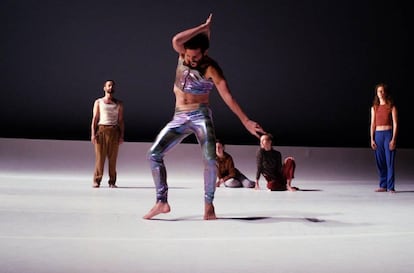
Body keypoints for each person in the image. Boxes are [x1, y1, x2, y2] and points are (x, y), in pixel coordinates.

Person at [143, 14, 266, 220]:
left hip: (200, 115)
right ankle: (161, 201)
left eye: (196, 57)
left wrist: (245, 120)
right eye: (189, 56)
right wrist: (202, 27)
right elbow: (176, 40)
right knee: (153, 154)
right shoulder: (183, 54)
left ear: (205, 53)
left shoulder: (211, 68)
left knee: (210, 160)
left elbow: (227, 95)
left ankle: (209, 206)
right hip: (180, 116)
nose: (191, 60)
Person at [90, 80, 124, 188]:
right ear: (104, 88)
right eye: (109, 85)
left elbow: (121, 120)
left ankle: (112, 182)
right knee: (100, 158)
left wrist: (121, 135)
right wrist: (92, 134)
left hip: (114, 131)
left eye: (112, 86)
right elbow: (95, 119)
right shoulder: (98, 102)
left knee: (112, 159)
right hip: (101, 130)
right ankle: (97, 180)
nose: (111, 87)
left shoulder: (119, 104)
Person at [370, 83, 398, 193]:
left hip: (388, 134)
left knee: (389, 161)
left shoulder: (391, 107)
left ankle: (391, 187)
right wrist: (372, 139)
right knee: (380, 161)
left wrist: (393, 139)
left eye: (382, 91)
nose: (380, 93)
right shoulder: (374, 108)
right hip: (378, 135)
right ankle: (383, 185)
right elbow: (372, 124)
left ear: (385, 93)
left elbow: (395, 123)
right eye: (378, 91)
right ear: (376, 94)